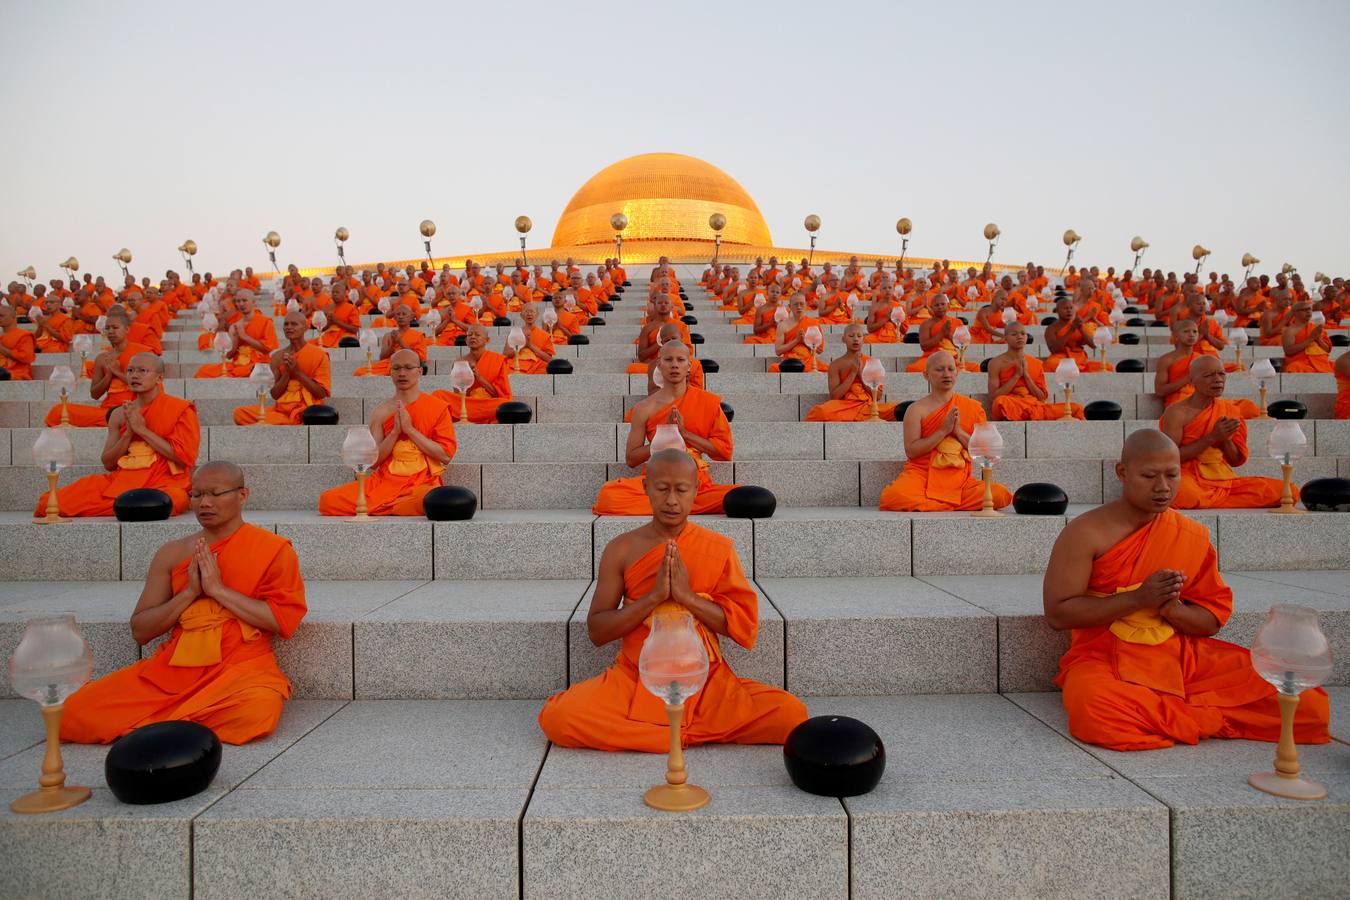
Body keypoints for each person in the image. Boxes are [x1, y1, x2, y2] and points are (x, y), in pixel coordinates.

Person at [1043, 429, 1330, 751]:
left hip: (1180, 655)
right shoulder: (1085, 532)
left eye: (1172, 475)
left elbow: (1210, 620)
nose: (1163, 487)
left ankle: (1179, 715)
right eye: (1149, 476)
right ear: (1122, 472)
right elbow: (1058, 613)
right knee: (1098, 713)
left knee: (1308, 704)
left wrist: (1171, 608)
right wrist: (1138, 599)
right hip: (1103, 656)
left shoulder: (1188, 534)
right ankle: (1200, 716)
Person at [540, 449, 808, 751]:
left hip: (706, 682)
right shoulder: (621, 549)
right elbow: (598, 630)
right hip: (637, 677)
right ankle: (683, 733)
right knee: (558, 717)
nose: (671, 500)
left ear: (696, 492)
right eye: (662, 489)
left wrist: (687, 597)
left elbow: (742, 626)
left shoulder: (716, 548)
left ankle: (665, 733)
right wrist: (654, 597)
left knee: (791, 715)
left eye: (681, 490)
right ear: (645, 488)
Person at [60, 461, 308, 745]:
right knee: (71, 714)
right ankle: (177, 722)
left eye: (215, 493)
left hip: (240, 669)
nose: (205, 503)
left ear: (242, 495)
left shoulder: (273, 550)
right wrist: (189, 593)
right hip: (173, 669)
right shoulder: (172, 553)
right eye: (197, 494)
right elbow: (141, 630)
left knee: (258, 711)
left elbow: (281, 620)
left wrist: (218, 590)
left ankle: (158, 725)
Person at [35, 354, 199, 517]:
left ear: (159, 378)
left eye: (142, 371)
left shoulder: (180, 409)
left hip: (163, 482)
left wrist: (142, 430)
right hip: (121, 481)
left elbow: (185, 457)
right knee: (49, 503)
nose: (134, 375)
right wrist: (128, 434)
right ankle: (126, 503)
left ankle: (126, 504)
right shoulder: (119, 414)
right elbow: (108, 462)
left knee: (173, 499)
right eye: (130, 370)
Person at [593, 340, 736, 516]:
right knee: (609, 496)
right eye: (668, 360)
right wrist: (664, 438)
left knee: (742, 498)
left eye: (680, 360)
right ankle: (682, 503)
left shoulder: (708, 402)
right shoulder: (644, 408)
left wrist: (684, 434)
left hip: (694, 482)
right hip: (657, 479)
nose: (675, 365)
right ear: (659, 365)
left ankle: (673, 503)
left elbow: (725, 452)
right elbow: (631, 459)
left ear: (689, 366)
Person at [318, 349, 456, 516]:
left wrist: (410, 431)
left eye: (408, 368)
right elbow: (374, 462)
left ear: (419, 371)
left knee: (429, 499)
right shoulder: (381, 412)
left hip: (421, 483)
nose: (402, 373)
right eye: (396, 368)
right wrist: (395, 433)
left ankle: (386, 505)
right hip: (384, 482)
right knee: (328, 501)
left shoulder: (436, 407)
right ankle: (394, 506)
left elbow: (445, 456)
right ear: (390, 373)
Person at [879, 351, 1011, 512]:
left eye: (951, 369)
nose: (946, 374)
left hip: (960, 480)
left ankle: (937, 503)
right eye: (940, 370)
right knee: (893, 496)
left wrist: (957, 431)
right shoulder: (915, 410)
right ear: (926, 375)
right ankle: (951, 503)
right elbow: (912, 451)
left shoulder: (973, 407)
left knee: (1000, 494)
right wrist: (943, 431)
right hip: (923, 475)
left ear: (957, 372)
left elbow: (984, 451)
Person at [1160, 357, 1290, 508]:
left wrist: (1226, 439)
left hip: (1223, 478)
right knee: (1184, 494)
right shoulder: (1176, 412)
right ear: (1191, 380)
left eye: (1221, 374)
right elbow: (1170, 457)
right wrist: (1211, 438)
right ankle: (1213, 499)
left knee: (1287, 490)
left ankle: (1212, 500)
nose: (1218, 380)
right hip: (1188, 475)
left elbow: (1235, 461)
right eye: (1209, 375)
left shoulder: (1230, 411)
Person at [43, 307, 157, 427]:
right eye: (107, 328)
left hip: (136, 408)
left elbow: (149, 385)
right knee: (58, 411)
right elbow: (95, 394)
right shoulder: (102, 358)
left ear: (127, 329)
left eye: (115, 328)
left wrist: (117, 373)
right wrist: (108, 376)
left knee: (128, 416)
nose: (111, 331)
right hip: (108, 410)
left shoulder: (142, 354)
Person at [232, 311, 332, 425]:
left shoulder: (319, 355)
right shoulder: (277, 357)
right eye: (286, 324)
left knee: (308, 416)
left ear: (305, 327)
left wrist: (298, 373)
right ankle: (286, 422)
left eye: (294, 324)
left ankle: (287, 421)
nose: (289, 327)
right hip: (280, 411)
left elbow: (321, 393)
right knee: (239, 413)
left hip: (305, 409)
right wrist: (287, 374)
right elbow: (275, 394)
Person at [988, 321, 1083, 420]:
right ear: (1005, 338)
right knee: (1000, 402)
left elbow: (1041, 397)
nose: (1019, 337)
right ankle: (1024, 415)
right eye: (1014, 334)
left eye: (1023, 334)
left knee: (1076, 408)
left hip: (1035, 406)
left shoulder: (1036, 363)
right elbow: (993, 397)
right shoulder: (996, 363)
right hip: (1012, 404)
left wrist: (1026, 376)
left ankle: (1026, 415)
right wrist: (1016, 375)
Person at [805, 324, 897, 421]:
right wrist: (853, 373)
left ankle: (859, 416)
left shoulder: (872, 362)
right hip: (844, 406)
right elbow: (835, 396)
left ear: (863, 339)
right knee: (819, 413)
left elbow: (877, 396)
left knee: (897, 409)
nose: (855, 339)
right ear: (843, 339)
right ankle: (859, 417)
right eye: (851, 336)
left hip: (867, 406)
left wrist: (861, 374)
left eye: (859, 336)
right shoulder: (836, 364)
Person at [432, 324, 512, 423]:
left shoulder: (498, 360)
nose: (473, 337)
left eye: (477, 335)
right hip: (467, 404)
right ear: (466, 340)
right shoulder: (459, 362)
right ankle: (472, 416)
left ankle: (471, 416)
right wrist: (467, 379)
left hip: (486, 404)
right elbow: (458, 396)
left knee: (504, 404)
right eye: (469, 335)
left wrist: (479, 378)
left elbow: (501, 394)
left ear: (487, 340)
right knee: (438, 395)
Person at [194, 291, 279, 378]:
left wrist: (245, 337)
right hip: (237, 364)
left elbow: (268, 348)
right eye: (238, 301)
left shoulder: (265, 321)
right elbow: (229, 355)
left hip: (259, 363)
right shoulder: (234, 326)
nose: (241, 304)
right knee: (203, 371)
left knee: (254, 370)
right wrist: (235, 339)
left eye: (244, 300)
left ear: (253, 302)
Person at [354, 303, 427, 376]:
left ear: (411, 317)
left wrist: (400, 341)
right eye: (398, 314)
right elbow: (382, 357)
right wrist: (392, 344)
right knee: (359, 372)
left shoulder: (418, 335)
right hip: (389, 363)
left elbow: (420, 359)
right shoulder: (388, 335)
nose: (401, 317)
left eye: (404, 314)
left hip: (406, 364)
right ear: (394, 317)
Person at [1281, 302, 1334, 373]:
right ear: (1295, 313)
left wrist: (1318, 339)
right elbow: (1288, 351)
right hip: (1301, 362)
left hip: (1321, 362)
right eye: (1304, 310)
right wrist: (1311, 339)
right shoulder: (1290, 331)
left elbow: (1327, 350)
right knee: (1293, 367)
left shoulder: (1315, 328)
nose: (1308, 312)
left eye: (1309, 309)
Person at [0, 303, 36, 380]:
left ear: (13, 317)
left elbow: (26, 357)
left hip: (16, 372)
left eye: (2, 316)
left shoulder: (24, 335)